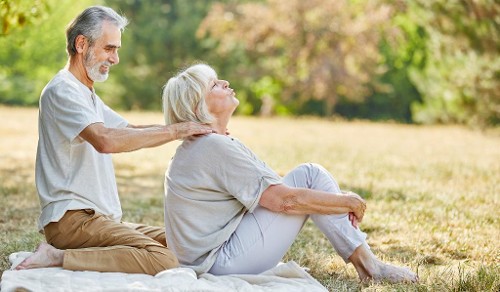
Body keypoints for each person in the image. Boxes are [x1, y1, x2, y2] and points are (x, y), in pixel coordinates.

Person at [161, 63, 418, 283]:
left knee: (309, 177)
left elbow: (272, 188)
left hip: (211, 260)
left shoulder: (205, 144)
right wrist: (347, 202)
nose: (226, 83)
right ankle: (371, 267)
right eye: (215, 85)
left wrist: (336, 200)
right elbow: (284, 200)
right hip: (219, 265)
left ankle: (368, 264)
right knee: (310, 175)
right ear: (199, 105)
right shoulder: (213, 147)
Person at [15, 6, 213, 275]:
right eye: (110, 48)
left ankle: (71, 254)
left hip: (97, 219)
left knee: (180, 243)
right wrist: (177, 131)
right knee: (162, 259)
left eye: (116, 49)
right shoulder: (62, 91)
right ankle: (59, 257)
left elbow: (130, 129)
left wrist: (185, 128)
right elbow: (105, 140)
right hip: (72, 221)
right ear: (82, 44)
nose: (116, 58)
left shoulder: (87, 94)